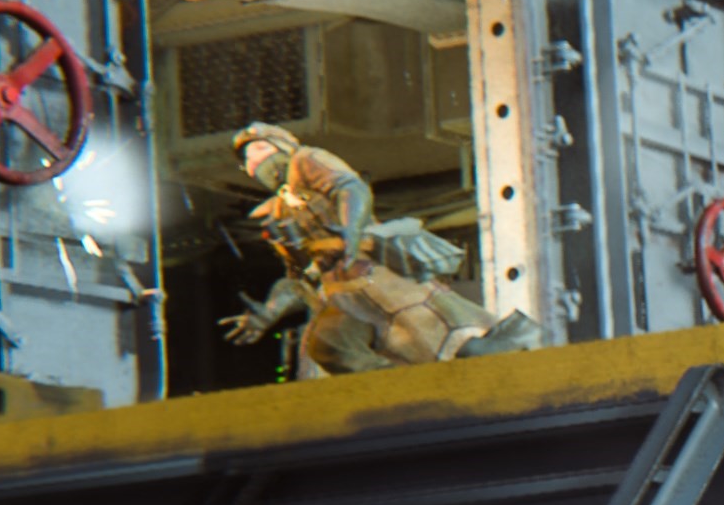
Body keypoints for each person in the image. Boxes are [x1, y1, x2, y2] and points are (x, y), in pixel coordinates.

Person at [218, 122, 536, 372]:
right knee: (329, 345)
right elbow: (298, 278)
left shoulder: (306, 161)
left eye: (260, 148)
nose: (255, 160)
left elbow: (350, 188)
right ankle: (398, 394)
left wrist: (350, 231)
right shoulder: (276, 213)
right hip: (341, 292)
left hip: (376, 272)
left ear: (283, 146)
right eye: (248, 159)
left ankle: (514, 344)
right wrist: (269, 312)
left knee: (441, 328)